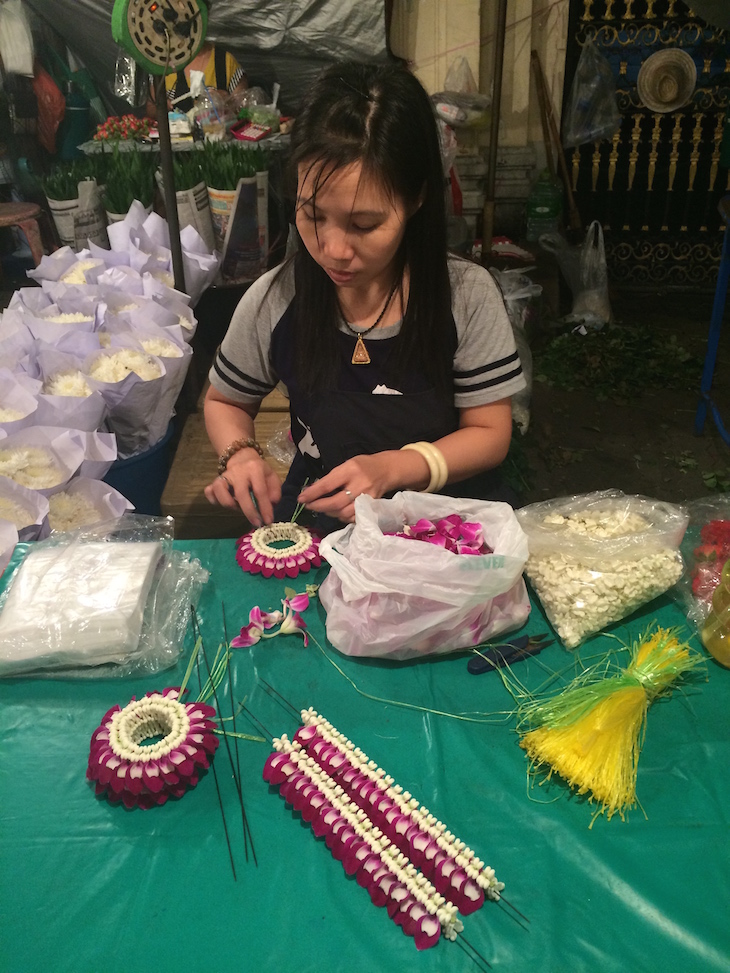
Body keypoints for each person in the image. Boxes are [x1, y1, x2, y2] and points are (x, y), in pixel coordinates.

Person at [203, 61, 525, 532]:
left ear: (415, 199)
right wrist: (240, 454)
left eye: (364, 225)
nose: (333, 250)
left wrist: (393, 468)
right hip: (324, 514)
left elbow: (489, 434)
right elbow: (225, 402)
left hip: (446, 523)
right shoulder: (277, 296)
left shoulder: (465, 295)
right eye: (313, 215)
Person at [146, 41, 247, 118]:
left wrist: (226, 101)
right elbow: (150, 108)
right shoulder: (164, 65)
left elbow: (244, 108)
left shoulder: (225, 61)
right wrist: (161, 108)